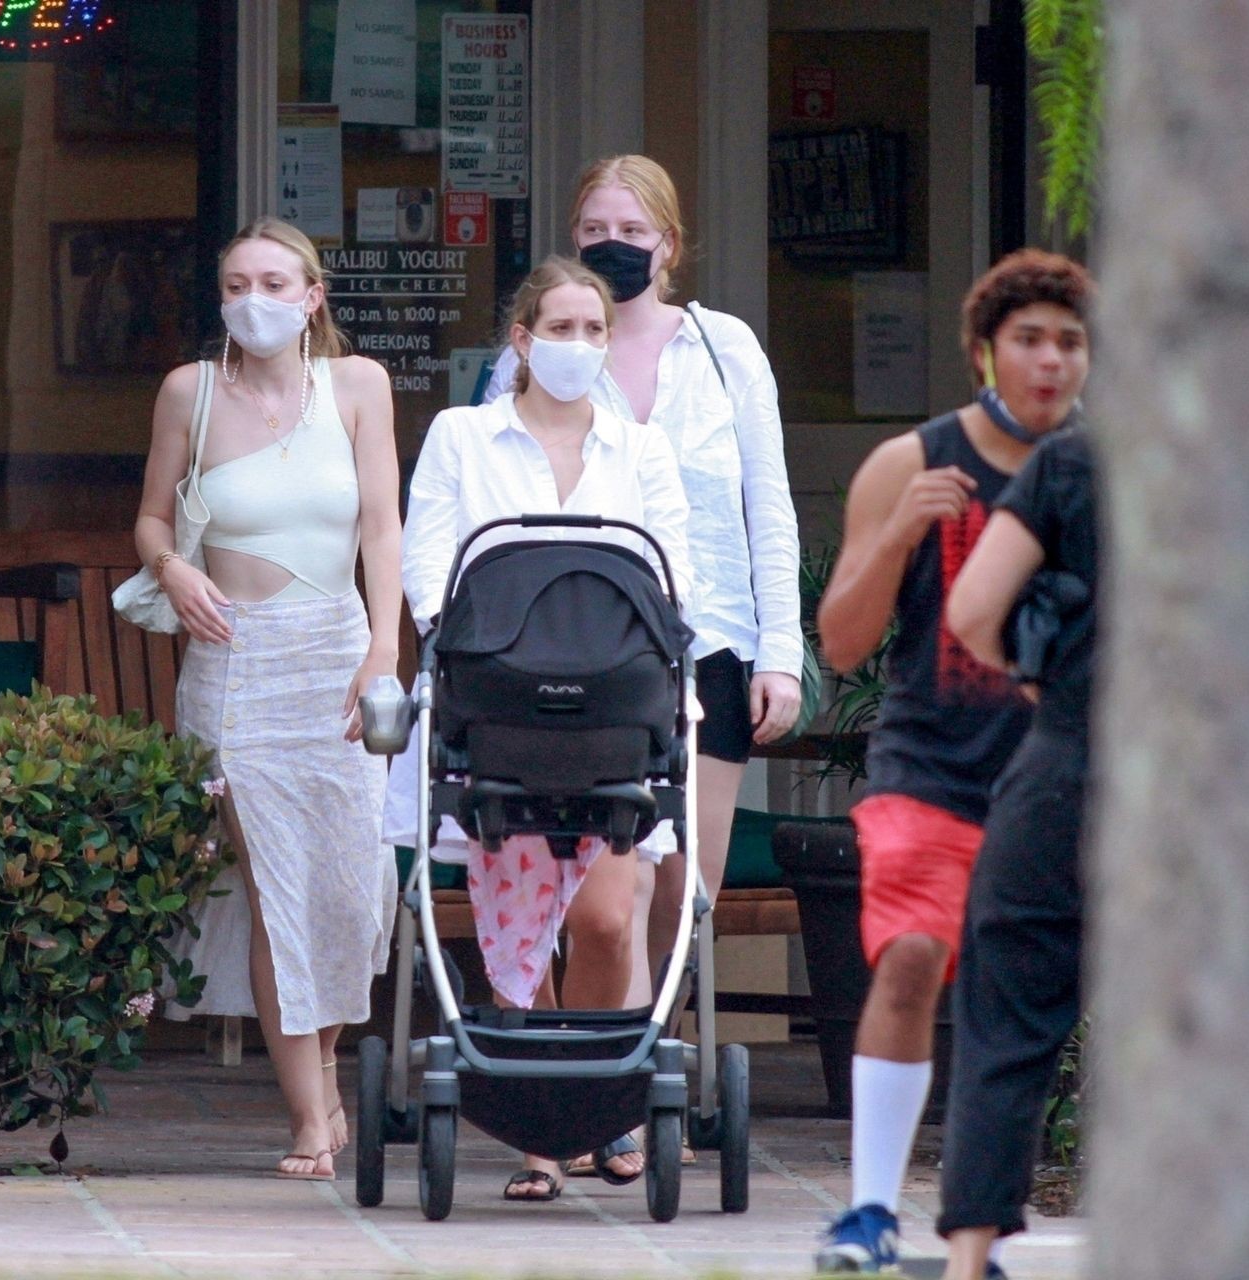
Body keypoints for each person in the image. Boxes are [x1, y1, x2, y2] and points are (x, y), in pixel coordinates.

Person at [481, 155, 803, 1178]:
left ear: (669, 242)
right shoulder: (543, 346)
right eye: (593, 228)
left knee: (683, 886)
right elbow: (490, 483)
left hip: (708, 641)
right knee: (597, 878)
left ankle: (633, 1064)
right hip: (573, 654)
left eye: (631, 228)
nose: (611, 243)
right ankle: (594, 1096)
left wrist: (782, 652)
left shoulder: (725, 348)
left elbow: (768, 502)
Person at [387, 256, 693, 1201]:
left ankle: (596, 1108)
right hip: (502, 714)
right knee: (520, 925)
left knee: (604, 917)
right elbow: (428, 564)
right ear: (522, 340)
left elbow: (674, 578)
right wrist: (473, 653)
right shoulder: (463, 436)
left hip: (613, 723)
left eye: (594, 329)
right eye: (561, 328)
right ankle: (540, 1139)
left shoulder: (640, 450)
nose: (579, 344)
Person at [813, 249, 1092, 1272]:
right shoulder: (913, 461)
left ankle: (978, 1226)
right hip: (930, 764)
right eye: (1030, 339)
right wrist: (897, 533)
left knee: (1013, 1002)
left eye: (1070, 342)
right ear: (984, 350)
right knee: (914, 956)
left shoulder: (1107, 474)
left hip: (1059, 775)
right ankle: (867, 1213)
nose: (1051, 361)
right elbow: (841, 644)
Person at [135, 217, 402, 1182]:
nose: (256, 299)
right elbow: (151, 515)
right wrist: (172, 568)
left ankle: (325, 1077)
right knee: (277, 887)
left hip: (336, 656)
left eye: (276, 282)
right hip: (236, 665)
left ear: (312, 296)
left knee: (346, 888)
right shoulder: (190, 391)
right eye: (238, 283)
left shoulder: (359, 385)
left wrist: (383, 650)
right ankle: (307, 1115)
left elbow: (383, 524)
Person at [935, 422, 1099, 1280]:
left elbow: (970, 609)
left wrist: (1043, 678)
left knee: (1005, 1026)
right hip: (1205, 787)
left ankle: (972, 1257)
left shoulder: (1074, 462)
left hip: (1069, 764)